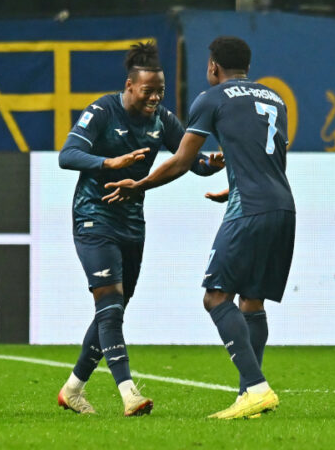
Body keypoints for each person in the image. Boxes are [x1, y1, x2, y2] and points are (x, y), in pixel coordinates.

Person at [104, 36, 295, 420]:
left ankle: (256, 388)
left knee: (216, 296)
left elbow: (181, 161)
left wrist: (140, 184)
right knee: (252, 301)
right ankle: (249, 398)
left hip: (251, 211)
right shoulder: (276, 99)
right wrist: (235, 186)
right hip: (283, 206)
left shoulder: (211, 99)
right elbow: (274, 158)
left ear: (213, 67)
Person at [56, 42, 222, 416]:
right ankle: (129, 392)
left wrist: (213, 163)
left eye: (160, 91)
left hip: (132, 225)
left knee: (113, 310)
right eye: (148, 91)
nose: (155, 97)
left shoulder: (161, 119)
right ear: (130, 86)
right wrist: (108, 162)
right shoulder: (101, 110)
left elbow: (189, 160)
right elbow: (68, 155)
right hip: (93, 218)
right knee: (110, 307)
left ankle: (73, 388)